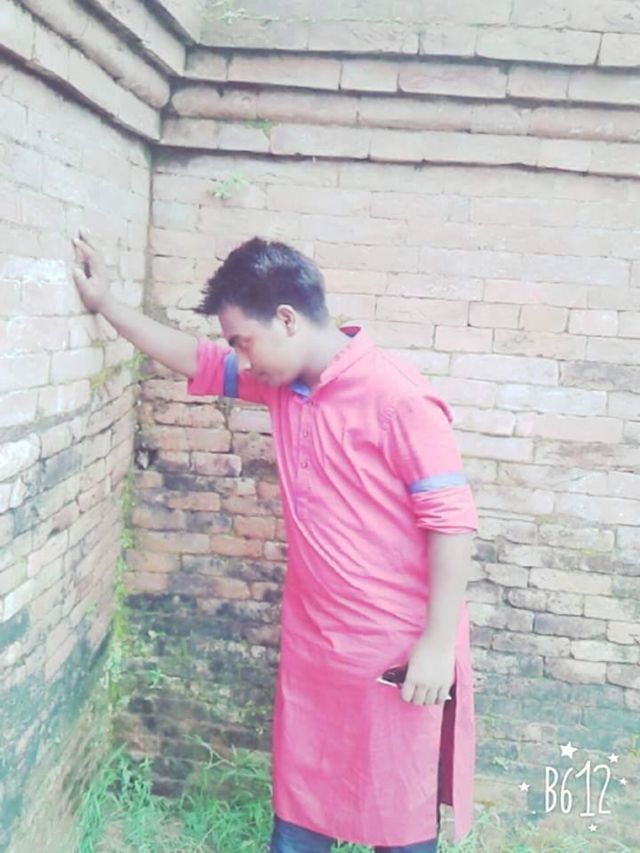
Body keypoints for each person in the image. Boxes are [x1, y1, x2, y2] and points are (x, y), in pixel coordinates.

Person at [72, 230, 478, 853]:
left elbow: (451, 521)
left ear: (286, 319)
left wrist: (436, 645)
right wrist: (105, 304)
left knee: (398, 824)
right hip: (314, 648)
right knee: (299, 820)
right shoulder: (280, 382)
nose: (240, 356)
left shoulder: (398, 397)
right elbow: (196, 359)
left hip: (393, 655)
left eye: (243, 339)